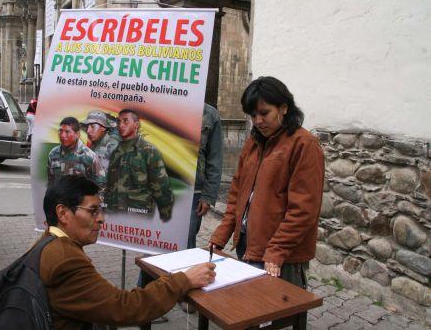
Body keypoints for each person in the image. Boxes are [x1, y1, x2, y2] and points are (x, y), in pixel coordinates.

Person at [40, 175, 216, 329]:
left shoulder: (48, 242)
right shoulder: (65, 262)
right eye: (93, 211)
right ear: (63, 214)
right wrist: (185, 279)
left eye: (100, 210)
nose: (101, 219)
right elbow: (126, 308)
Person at [209, 76, 324, 289]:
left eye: (264, 113)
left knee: (277, 315)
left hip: (282, 257)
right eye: (253, 115)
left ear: (284, 108)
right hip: (248, 244)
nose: (258, 121)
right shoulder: (253, 142)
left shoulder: (304, 145)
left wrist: (277, 250)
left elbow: (303, 209)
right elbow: (237, 193)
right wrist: (222, 233)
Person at [105, 109, 174, 221]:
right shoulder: (116, 152)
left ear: (136, 125)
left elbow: (161, 186)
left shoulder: (148, 151)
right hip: (114, 216)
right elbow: (110, 186)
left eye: (126, 121)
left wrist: (165, 215)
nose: (121, 125)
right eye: (119, 122)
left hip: (138, 217)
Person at [187, 103, 223, 249]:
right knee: (152, 250)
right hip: (157, 190)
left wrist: (208, 196)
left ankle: (187, 273)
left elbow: (215, 159)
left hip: (192, 194)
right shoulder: (159, 103)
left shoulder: (209, 114)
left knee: (185, 246)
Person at [47, 117, 105, 191]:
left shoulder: (89, 156)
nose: (62, 135)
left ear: (77, 134)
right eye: (61, 131)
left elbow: (100, 185)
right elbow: (51, 182)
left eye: (67, 132)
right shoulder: (53, 154)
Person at [80, 110, 120, 174]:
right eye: (87, 127)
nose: (88, 131)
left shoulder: (111, 144)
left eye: (92, 126)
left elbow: (97, 174)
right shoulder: (97, 142)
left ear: (103, 128)